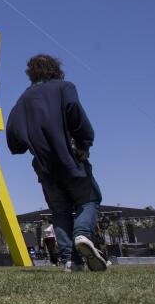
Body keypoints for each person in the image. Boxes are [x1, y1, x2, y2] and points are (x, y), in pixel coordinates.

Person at [6, 54, 108, 272]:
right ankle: (82, 233)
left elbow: (13, 132)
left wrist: (24, 145)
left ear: (31, 73)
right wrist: (84, 143)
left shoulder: (23, 99)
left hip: (44, 166)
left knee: (59, 211)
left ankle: (70, 260)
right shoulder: (64, 88)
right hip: (70, 158)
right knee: (89, 199)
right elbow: (75, 112)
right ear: (55, 69)